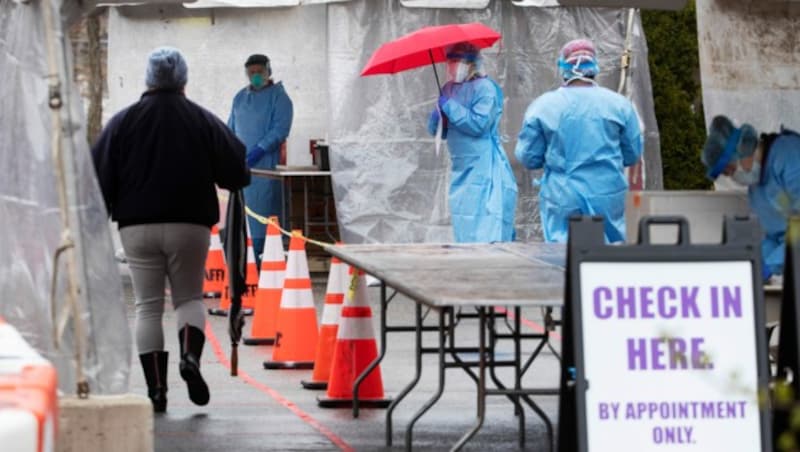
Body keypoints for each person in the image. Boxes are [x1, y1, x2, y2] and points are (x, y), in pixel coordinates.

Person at [91, 47, 250, 412]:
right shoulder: (201, 120)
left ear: (148, 79)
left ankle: (157, 390)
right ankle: (190, 358)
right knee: (189, 299)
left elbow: (96, 179)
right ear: (184, 80)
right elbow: (236, 172)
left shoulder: (123, 122)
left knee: (147, 306)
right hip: (189, 225)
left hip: (136, 226)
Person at [515, 39, 643, 243]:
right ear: (594, 67)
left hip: (563, 195)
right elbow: (632, 154)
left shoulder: (543, 106)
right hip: (607, 193)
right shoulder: (619, 105)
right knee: (611, 253)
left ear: (563, 67)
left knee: (563, 257)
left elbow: (528, 157)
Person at [426, 42, 517, 242]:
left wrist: (450, 107)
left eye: (456, 61)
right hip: (461, 168)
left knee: (485, 223)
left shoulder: (486, 88)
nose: (451, 66)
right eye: (449, 61)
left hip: (483, 167)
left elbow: (479, 125)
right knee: (464, 223)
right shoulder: (448, 89)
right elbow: (439, 132)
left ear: (471, 63)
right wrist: (437, 116)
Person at [701, 115, 800, 279]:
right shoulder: (757, 191)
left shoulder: (789, 155)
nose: (733, 177)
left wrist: (769, 265)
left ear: (743, 150)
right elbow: (777, 236)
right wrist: (752, 262)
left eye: (731, 170)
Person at [228, 54, 293, 264]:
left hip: (265, 169)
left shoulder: (279, 98)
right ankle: (245, 263)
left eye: (259, 72)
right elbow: (230, 128)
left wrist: (258, 150)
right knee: (243, 218)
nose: (255, 76)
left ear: (269, 71)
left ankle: (265, 262)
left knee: (265, 216)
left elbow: (280, 130)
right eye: (252, 72)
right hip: (241, 168)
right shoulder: (239, 97)